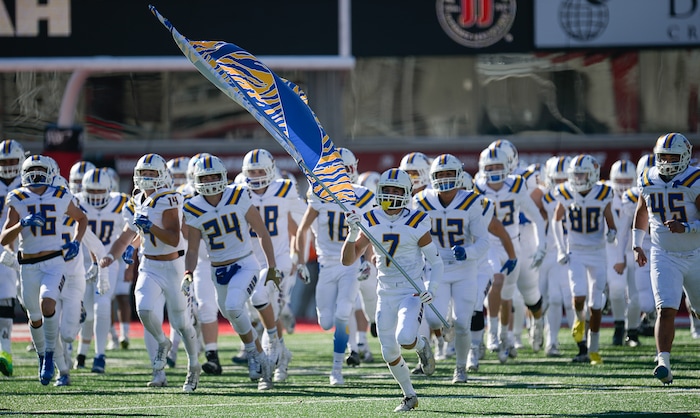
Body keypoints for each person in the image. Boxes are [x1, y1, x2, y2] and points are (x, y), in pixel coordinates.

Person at [341, 168, 442, 412]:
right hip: (384, 292)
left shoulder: (416, 220)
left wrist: (432, 287)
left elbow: (436, 262)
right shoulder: (370, 218)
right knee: (388, 352)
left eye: (397, 190)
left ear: (407, 193)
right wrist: (353, 233)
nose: (392, 195)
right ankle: (409, 395)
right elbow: (348, 260)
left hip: (411, 290)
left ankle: (421, 346)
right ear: (380, 191)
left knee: (405, 338)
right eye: (388, 190)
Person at [99, 153, 201, 392]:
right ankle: (161, 353)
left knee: (182, 323)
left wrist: (150, 228)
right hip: (149, 264)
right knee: (144, 309)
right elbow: (127, 235)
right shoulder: (135, 200)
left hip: (174, 266)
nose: (146, 177)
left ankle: (193, 366)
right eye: (143, 173)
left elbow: (173, 237)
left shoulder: (169, 198)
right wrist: (113, 255)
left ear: (162, 175)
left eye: (151, 173)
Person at [182, 154, 281, 390]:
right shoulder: (193, 207)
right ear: (196, 179)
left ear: (223, 175)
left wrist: (272, 267)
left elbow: (262, 232)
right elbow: (193, 248)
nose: (210, 181)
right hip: (218, 271)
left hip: (246, 264)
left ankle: (254, 355)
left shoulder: (237, 194)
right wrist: (188, 271)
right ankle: (262, 359)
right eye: (205, 177)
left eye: (214, 176)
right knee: (234, 317)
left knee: (236, 306)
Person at [1, 155, 88, 385]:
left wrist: (76, 242)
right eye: (32, 170)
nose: (36, 174)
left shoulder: (60, 194)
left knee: (47, 302)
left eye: (40, 170)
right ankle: (42, 354)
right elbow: (3, 238)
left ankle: (50, 354)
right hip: (27, 265)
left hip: (54, 261)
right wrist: (22, 224)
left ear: (51, 172)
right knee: (34, 317)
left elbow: (81, 218)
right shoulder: (17, 197)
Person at [295, 147, 375, 385]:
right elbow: (301, 230)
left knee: (342, 313)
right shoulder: (319, 195)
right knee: (326, 322)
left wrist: (368, 260)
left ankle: (337, 370)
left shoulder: (362, 195)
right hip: (326, 266)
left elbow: (369, 233)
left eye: (345, 169)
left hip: (350, 265)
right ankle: (349, 348)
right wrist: (300, 261)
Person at [413, 154, 489, 383]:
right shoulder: (421, 200)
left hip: (465, 268)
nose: (445, 178)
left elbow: (484, 241)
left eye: (449, 173)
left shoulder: (472, 201)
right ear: (432, 177)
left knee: (463, 322)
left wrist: (469, 251)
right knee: (434, 319)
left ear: (459, 175)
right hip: (436, 267)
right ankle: (443, 331)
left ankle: (460, 368)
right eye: (440, 174)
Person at [632, 133, 700, 384]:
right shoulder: (648, 177)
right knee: (666, 308)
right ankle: (663, 362)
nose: (667, 161)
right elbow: (641, 210)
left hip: (696, 253)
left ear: (685, 156)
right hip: (663, 253)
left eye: (673, 157)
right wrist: (636, 245)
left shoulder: (695, 179)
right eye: (663, 157)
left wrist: (688, 227)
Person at [474, 146, 546, 363]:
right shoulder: (476, 187)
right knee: (495, 283)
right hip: (489, 245)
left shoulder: (517, 184)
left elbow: (537, 216)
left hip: (514, 244)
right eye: (490, 166)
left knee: (509, 296)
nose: (494, 170)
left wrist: (542, 245)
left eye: (498, 166)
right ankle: (492, 333)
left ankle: (506, 337)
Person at [551, 154, 617, 365]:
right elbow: (556, 221)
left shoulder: (604, 192)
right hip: (576, 251)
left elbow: (610, 220)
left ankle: (594, 349)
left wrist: (612, 232)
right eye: (575, 174)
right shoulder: (565, 191)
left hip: (597, 252)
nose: (578, 178)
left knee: (596, 303)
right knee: (578, 296)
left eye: (582, 174)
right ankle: (580, 326)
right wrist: (561, 248)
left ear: (593, 174)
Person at [241, 149, 299, 382]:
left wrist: (300, 258)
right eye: (251, 171)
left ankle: (268, 367)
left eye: (260, 170)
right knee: (261, 312)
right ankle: (281, 358)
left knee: (262, 300)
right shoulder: (239, 191)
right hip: (250, 261)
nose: (255, 175)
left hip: (279, 260)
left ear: (270, 170)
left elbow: (301, 224)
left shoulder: (284, 189)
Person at [75, 168, 128, 374]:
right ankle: (81, 353)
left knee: (103, 306)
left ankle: (100, 356)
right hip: (83, 262)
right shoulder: (76, 201)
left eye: (100, 191)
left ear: (109, 189)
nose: (96, 195)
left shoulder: (120, 203)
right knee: (87, 313)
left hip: (107, 261)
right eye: (92, 191)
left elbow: (130, 232)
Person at [539, 156, 575, 357]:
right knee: (552, 298)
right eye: (557, 180)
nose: (561, 184)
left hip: (576, 250)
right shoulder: (544, 197)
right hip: (552, 252)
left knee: (573, 298)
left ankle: (581, 340)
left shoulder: (580, 193)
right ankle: (550, 341)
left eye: (564, 179)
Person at [606, 159, 641, 347]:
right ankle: (619, 326)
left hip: (634, 250)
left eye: (627, 180)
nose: (623, 185)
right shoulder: (605, 194)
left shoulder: (640, 195)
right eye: (619, 181)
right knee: (617, 289)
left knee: (637, 297)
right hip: (613, 250)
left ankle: (633, 331)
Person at [0, 139, 24, 377]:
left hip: (30, 247)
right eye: (3, 161)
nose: (7, 165)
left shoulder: (29, 182)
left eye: (11, 161)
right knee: (5, 298)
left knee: (32, 301)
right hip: (3, 249)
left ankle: (52, 348)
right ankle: (5, 350)